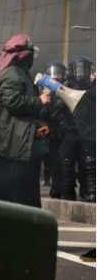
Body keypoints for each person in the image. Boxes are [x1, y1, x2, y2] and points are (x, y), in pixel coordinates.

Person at [0, 34, 50, 208]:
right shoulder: (13, 74)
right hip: (5, 144)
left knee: (10, 193)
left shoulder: (15, 73)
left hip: (8, 141)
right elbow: (13, 102)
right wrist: (40, 101)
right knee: (10, 193)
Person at [61, 56, 95, 202]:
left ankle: (90, 192)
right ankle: (67, 192)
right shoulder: (65, 86)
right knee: (66, 162)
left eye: (84, 69)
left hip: (88, 131)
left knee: (89, 163)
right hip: (70, 130)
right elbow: (58, 108)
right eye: (78, 69)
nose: (81, 73)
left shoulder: (93, 88)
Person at [38, 61, 74, 199]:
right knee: (51, 162)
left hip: (64, 132)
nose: (56, 77)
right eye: (54, 73)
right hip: (49, 133)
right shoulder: (44, 92)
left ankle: (62, 190)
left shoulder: (68, 91)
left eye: (59, 73)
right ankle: (55, 188)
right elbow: (40, 113)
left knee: (63, 162)